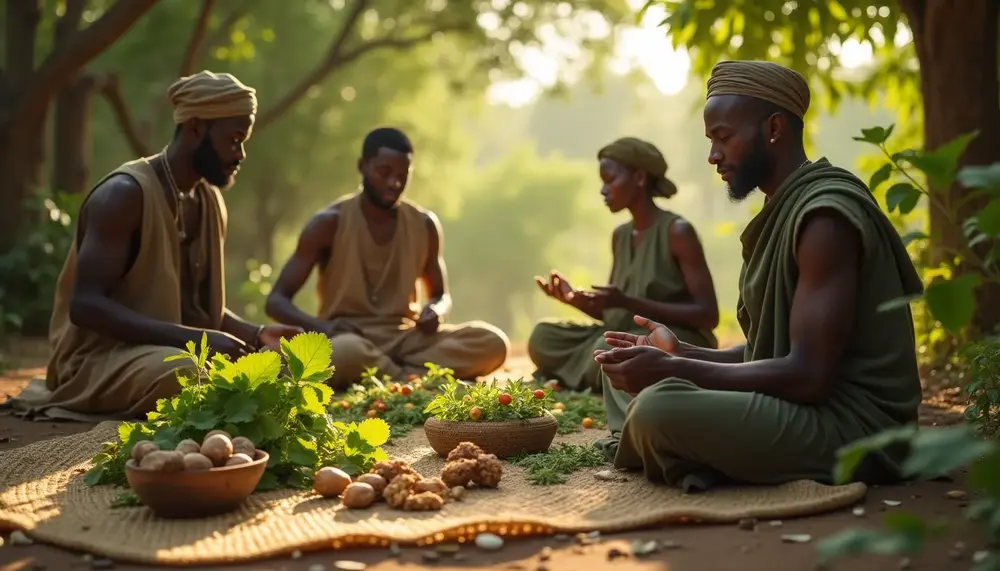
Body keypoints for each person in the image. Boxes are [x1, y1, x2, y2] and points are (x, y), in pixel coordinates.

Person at [592, 60, 924, 492]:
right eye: (711, 140)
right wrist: (681, 355)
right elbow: (771, 349)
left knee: (659, 409)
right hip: (797, 403)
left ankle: (681, 447)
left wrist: (677, 373)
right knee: (622, 362)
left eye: (723, 138)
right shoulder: (783, 207)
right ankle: (693, 450)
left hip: (856, 429)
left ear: (773, 129)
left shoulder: (824, 216)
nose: (713, 156)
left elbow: (808, 376)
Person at [4, 71, 302, 422]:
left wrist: (257, 334)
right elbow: (85, 306)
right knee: (188, 376)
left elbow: (198, 310)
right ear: (195, 129)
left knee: (281, 369)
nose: (240, 154)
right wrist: (197, 342)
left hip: (165, 352)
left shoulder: (209, 201)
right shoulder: (124, 195)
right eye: (234, 139)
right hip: (98, 362)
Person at [265, 127, 509, 386]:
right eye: (384, 173)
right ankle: (414, 377)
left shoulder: (424, 224)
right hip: (349, 337)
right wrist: (324, 328)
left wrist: (435, 311)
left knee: (492, 343)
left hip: (407, 338)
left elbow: (441, 295)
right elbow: (276, 301)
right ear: (363, 166)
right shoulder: (328, 223)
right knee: (344, 353)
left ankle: (389, 376)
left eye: (402, 176)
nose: (394, 183)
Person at [527, 137, 720, 392]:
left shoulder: (678, 232)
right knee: (543, 335)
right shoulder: (621, 236)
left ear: (639, 177)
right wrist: (574, 300)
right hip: (624, 334)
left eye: (610, 180)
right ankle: (595, 375)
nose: (603, 190)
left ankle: (583, 375)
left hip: (673, 338)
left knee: (610, 351)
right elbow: (615, 315)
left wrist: (628, 302)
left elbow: (708, 315)